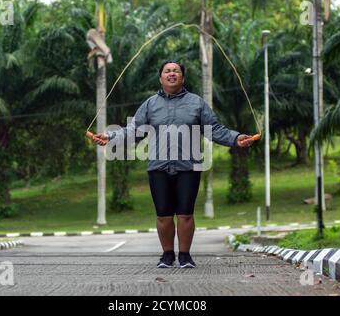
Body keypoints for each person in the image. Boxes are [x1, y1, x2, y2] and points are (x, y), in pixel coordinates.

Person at [90, 61, 254, 268]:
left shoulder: (197, 103)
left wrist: (236, 138)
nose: (172, 73)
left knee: (186, 213)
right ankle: (167, 255)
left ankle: (185, 255)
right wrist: (111, 137)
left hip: (189, 166)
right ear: (161, 78)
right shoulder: (150, 104)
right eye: (167, 71)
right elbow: (134, 131)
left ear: (183, 78)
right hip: (158, 167)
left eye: (176, 71)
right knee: (164, 214)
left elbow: (215, 129)